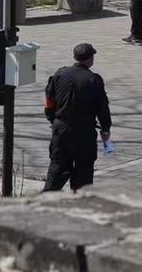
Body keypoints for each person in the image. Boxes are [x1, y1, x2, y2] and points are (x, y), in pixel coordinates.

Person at [43, 42, 111, 192]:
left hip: (61, 131)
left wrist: (52, 119)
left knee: (57, 169)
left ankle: (45, 199)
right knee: (83, 175)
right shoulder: (94, 79)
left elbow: (49, 100)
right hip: (84, 133)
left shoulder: (60, 74)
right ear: (90, 59)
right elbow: (102, 108)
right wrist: (105, 129)